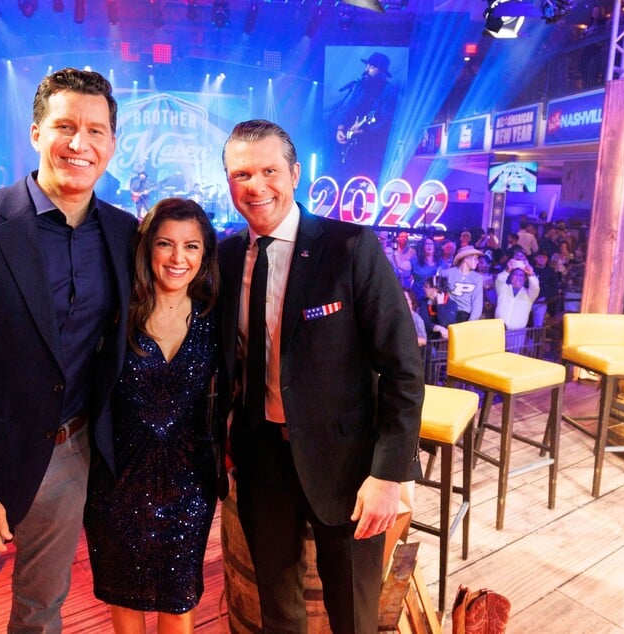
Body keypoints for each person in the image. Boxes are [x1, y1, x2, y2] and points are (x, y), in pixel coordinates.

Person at [0, 67, 138, 633]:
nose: (79, 144)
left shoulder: (123, 231)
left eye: (95, 131)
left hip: (71, 455)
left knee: (43, 614)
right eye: (65, 126)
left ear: (112, 143)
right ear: (36, 133)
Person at [218, 120, 422, 633]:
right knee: (278, 612)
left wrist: (389, 473)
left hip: (349, 466)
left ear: (295, 173)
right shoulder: (222, 257)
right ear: (227, 181)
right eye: (241, 173)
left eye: (269, 170)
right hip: (261, 457)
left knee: (354, 615)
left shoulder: (350, 247)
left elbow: (402, 367)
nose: (256, 185)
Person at [84, 199, 224, 633]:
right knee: (123, 601)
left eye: (191, 247)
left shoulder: (214, 319)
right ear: (147, 249)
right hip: (116, 487)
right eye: (165, 244)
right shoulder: (115, 315)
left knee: (179, 600)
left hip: (189, 487)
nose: (178, 258)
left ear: (205, 256)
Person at [332, 52, 399, 183]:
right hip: (352, 142)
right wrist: (340, 129)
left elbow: (385, 121)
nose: (366, 69)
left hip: (372, 146)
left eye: (372, 67)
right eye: (367, 65)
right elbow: (348, 109)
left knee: (366, 178)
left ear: (381, 71)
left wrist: (365, 130)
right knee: (344, 175)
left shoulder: (389, 91)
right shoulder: (359, 87)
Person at [443, 244, 484, 322]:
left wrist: (471, 321)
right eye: (475, 259)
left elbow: (477, 302)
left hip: (465, 316)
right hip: (448, 314)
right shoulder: (447, 273)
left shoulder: (477, 278)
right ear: (466, 259)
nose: (478, 262)